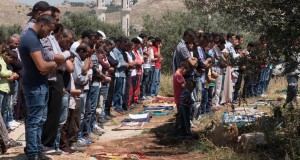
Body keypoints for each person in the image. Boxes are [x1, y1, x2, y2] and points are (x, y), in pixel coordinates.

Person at [19, 14, 57, 160]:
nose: (48, 34)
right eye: (48, 30)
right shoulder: (31, 39)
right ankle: (33, 153)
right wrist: (53, 64)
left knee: (40, 120)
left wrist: (48, 66)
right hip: (35, 86)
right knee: (34, 121)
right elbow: (42, 66)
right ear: (42, 24)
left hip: (39, 84)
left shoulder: (34, 38)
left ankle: (36, 150)